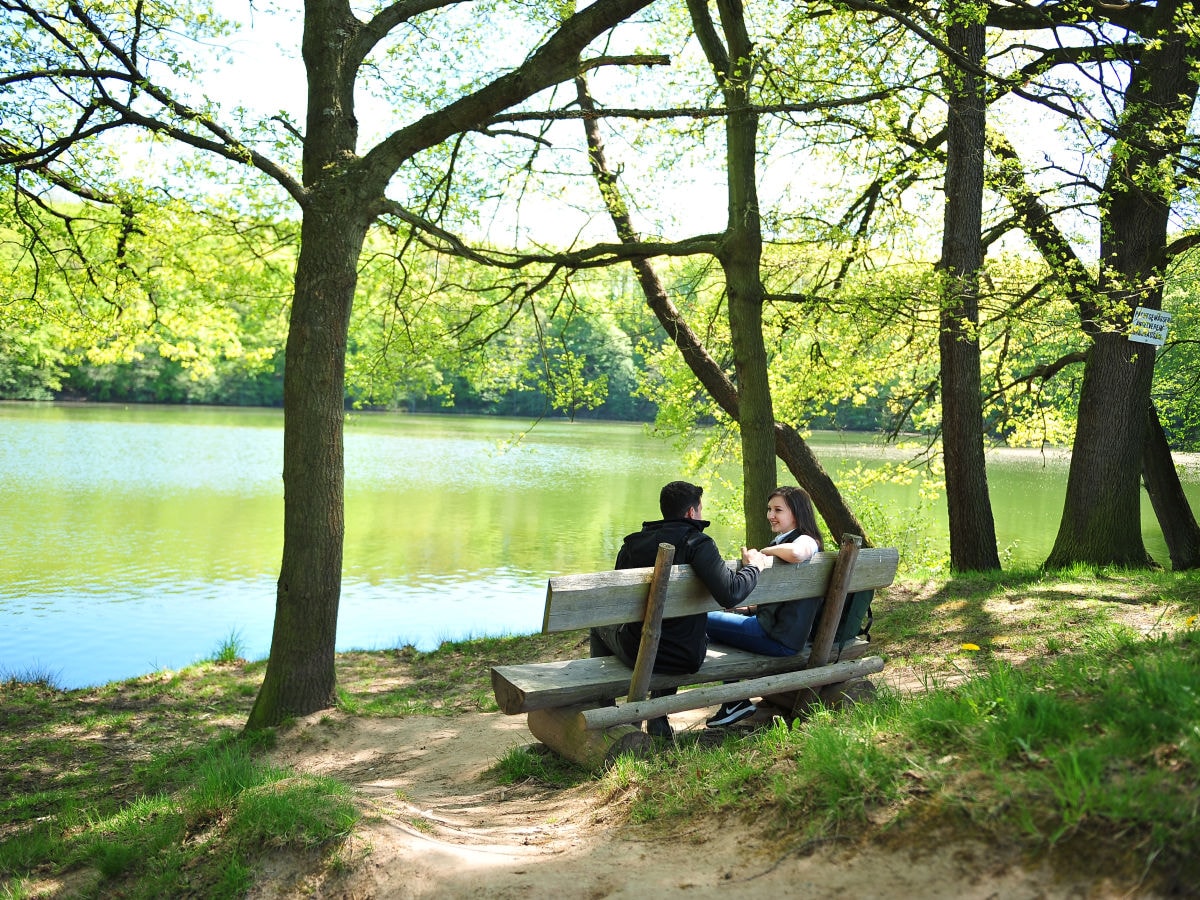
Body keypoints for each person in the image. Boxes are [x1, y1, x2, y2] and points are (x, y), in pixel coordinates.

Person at [590, 480, 770, 738]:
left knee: (598, 627)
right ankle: (658, 719)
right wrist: (756, 566)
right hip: (686, 656)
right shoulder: (698, 544)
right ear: (691, 513)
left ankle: (607, 712)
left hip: (637, 652)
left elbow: (616, 605)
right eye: (701, 509)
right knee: (678, 628)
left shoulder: (633, 544)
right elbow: (731, 593)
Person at [704, 485, 825, 727]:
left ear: (797, 514)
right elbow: (787, 601)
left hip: (777, 639)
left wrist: (762, 553)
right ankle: (733, 702)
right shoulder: (787, 541)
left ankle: (734, 701)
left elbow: (799, 553)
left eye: (778, 510)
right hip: (778, 632)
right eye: (769, 509)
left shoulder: (806, 540)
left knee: (701, 617)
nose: (771, 515)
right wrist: (750, 609)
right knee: (723, 617)